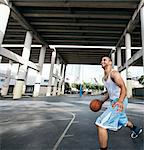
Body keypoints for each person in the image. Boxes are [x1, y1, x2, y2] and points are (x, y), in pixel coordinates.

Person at [95, 56, 143, 150]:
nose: (102, 61)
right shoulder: (104, 78)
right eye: (101, 60)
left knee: (101, 124)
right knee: (123, 121)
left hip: (119, 100)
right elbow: (110, 92)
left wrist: (120, 101)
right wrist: (101, 101)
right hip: (114, 101)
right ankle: (136, 129)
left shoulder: (114, 74)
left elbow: (123, 88)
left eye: (104, 60)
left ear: (110, 62)